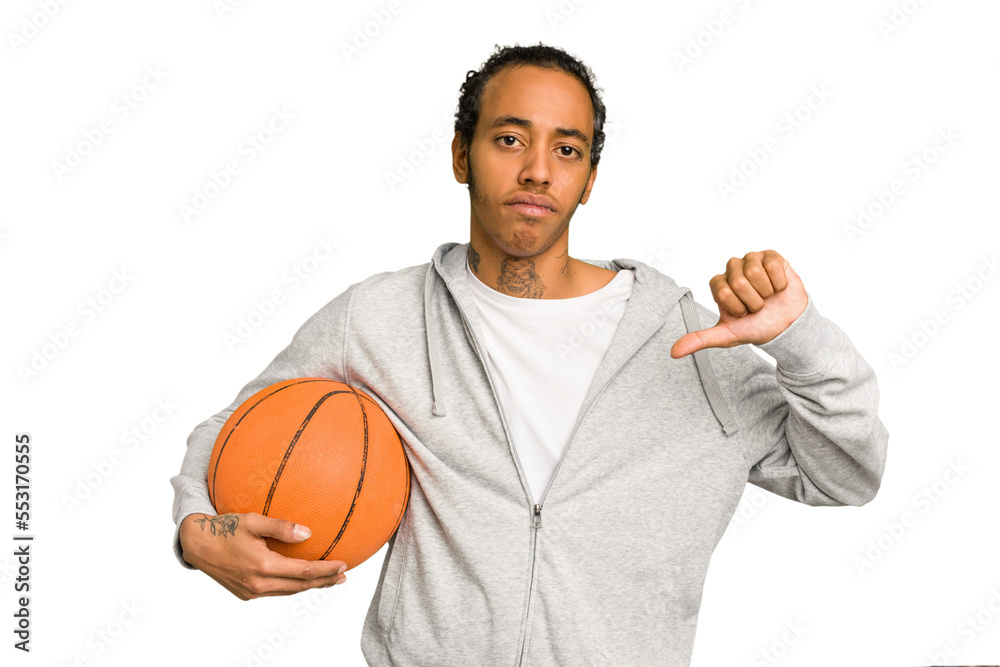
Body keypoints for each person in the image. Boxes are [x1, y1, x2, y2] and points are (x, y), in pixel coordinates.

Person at [170, 42, 889, 666]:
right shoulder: (380, 318)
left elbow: (848, 474)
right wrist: (196, 532)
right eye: (510, 139)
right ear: (460, 153)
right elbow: (230, 433)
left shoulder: (691, 343)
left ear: (590, 178)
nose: (539, 170)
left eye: (567, 149)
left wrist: (801, 340)